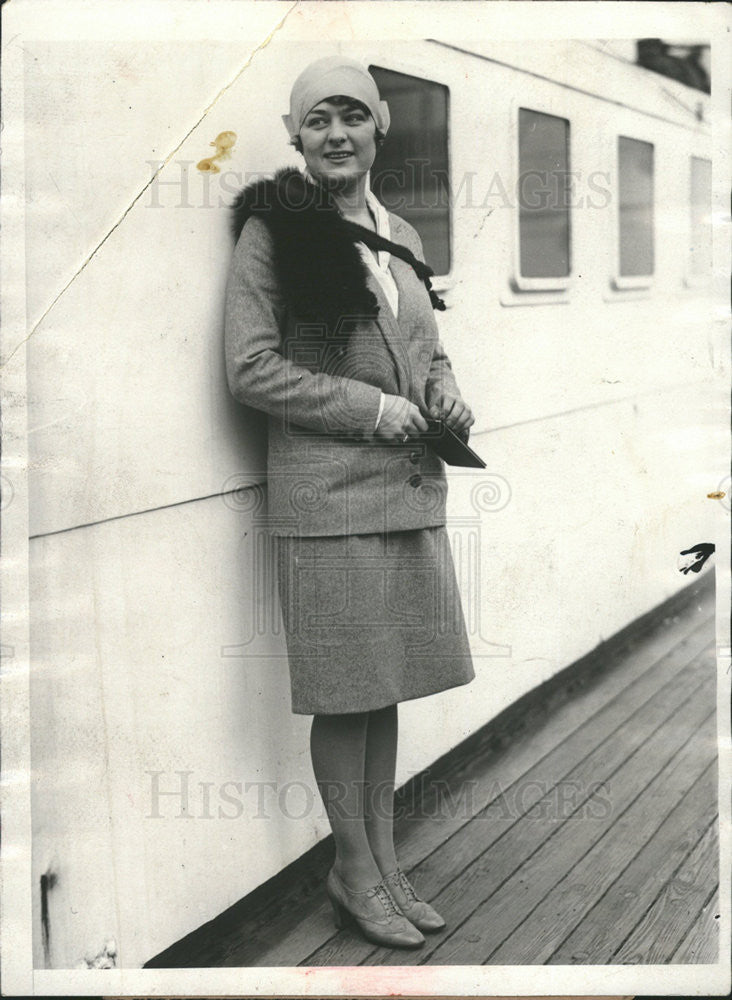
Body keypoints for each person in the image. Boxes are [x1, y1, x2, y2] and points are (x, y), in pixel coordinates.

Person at [224, 55, 476, 950]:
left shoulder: (397, 227)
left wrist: (446, 394)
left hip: (405, 491)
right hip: (326, 498)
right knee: (347, 694)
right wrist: (374, 410)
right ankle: (355, 872)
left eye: (353, 117)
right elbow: (251, 368)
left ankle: (379, 861)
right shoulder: (277, 229)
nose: (337, 133)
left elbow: (427, 348)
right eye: (319, 120)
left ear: (380, 129)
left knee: (387, 688)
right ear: (296, 136)